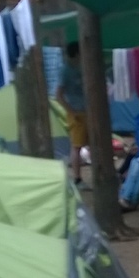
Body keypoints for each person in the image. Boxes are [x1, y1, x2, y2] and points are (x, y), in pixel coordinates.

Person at [59, 41, 89, 186]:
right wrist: (72, 112)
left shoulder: (81, 68)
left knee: (93, 143)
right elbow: (58, 95)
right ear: (77, 54)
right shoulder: (65, 70)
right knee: (77, 146)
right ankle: (77, 179)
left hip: (88, 111)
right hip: (77, 113)